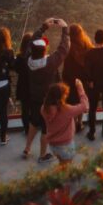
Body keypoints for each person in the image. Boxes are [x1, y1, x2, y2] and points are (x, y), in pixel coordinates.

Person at [24, 17, 70, 163]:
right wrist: (65, 29)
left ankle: (27, 148)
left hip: (34, 97)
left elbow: (31, 42)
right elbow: (64, 49)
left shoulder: (28, 60)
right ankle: (43, 155)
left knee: (33, 121)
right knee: (45, 128)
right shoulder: (50, 63)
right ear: (44, 50)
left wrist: (43, 27)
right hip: (48, 100)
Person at [41, 80, 89, 167]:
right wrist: (80, 88)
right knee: (66, 169)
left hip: (53, 145)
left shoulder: (44, 108)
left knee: (62, 164)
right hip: (66, 145)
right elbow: (84, 105)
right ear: (61, 97)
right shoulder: (66, 110)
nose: (66, 96)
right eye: (65, 94)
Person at [63, 24, 93, 132]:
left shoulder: (68, 46)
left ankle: (73, 123)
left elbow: (66, 64)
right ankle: (79, 123)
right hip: (83, 78)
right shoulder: (86, 44)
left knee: (71, 101)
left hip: (70, 78)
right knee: (81, 100)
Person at [85, 29, 103, 140]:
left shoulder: (89, 53)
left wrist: (90, 81)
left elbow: (87, 69)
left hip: (94, 83)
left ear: (94, 38)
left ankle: (92, 132)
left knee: (92, 108)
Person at [14, 34, 33, 134]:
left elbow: (16, 69)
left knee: (25, 109)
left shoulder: (19, 57)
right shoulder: (36, 56)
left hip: (23, 86)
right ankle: (34, 126)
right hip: (34, 85)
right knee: (34, 107)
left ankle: (26, 129)